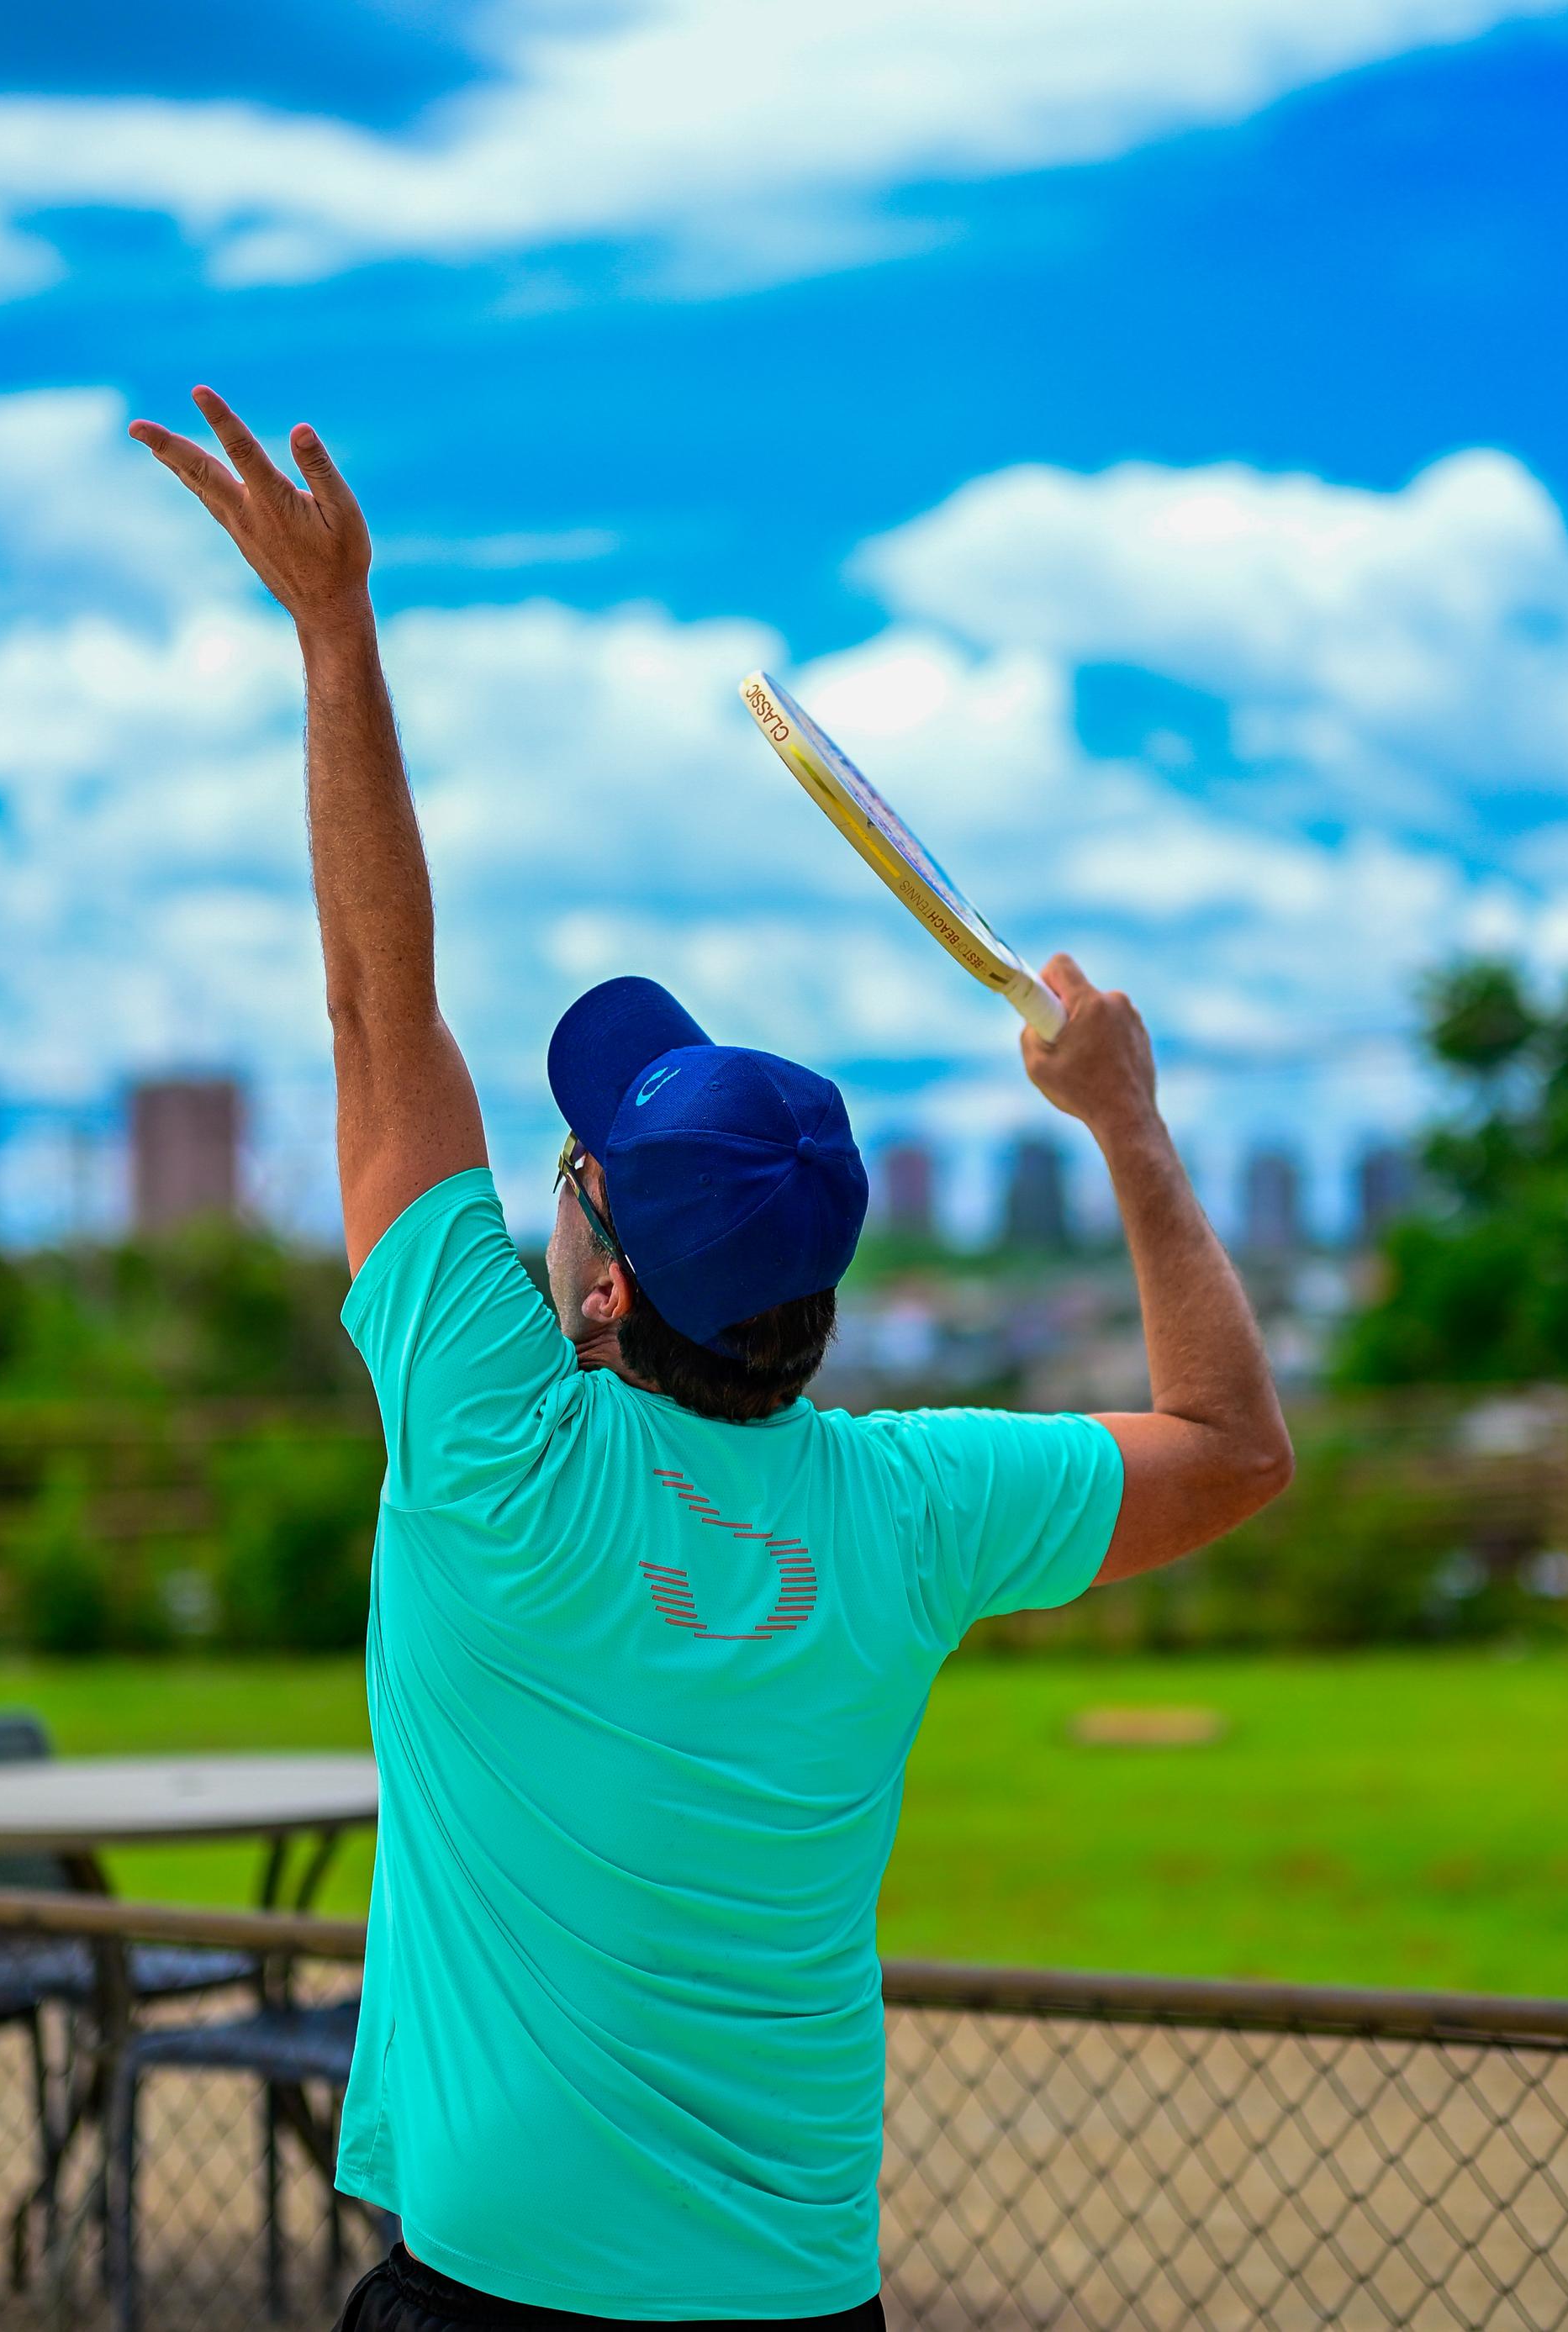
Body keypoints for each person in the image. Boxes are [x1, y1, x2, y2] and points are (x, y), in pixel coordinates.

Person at [130, 388, 1294, 2332]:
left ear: (599, 1288)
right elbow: (1235, 1446)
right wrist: (1128, 1126)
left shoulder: (497, 1451)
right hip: (797, 2304)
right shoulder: (913, 1509)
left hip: (491, 2296)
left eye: (571, 1175)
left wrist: (334, 631)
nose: (552, 1188)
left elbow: (374, 1008)